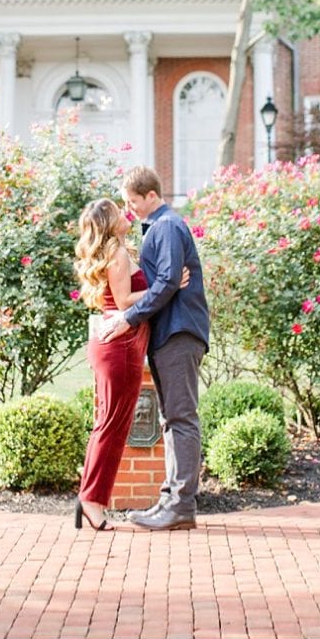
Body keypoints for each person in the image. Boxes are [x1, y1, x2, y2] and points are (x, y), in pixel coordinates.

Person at [95, 165, 209, 531]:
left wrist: (128, 318)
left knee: (180, 417)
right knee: (171, 419)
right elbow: (166, 283)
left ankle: (180, 505)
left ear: (152, 196)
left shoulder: (168, 226)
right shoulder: (157, 228)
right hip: (168, 333)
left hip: (178, 333)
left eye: (134, 202)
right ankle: (171, 500)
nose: (131, 210)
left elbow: (167, 283)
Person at [72, 197, 189, 532]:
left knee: (108, 426)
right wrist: (165, 287)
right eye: (117, 211)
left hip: (117, 344)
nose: (125, 214)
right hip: (120, 347)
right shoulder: (118, 254)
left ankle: (90, 498)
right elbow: (124, 302)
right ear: (110, 222)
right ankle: (93, 502)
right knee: (111, 427)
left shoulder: (116, 252)